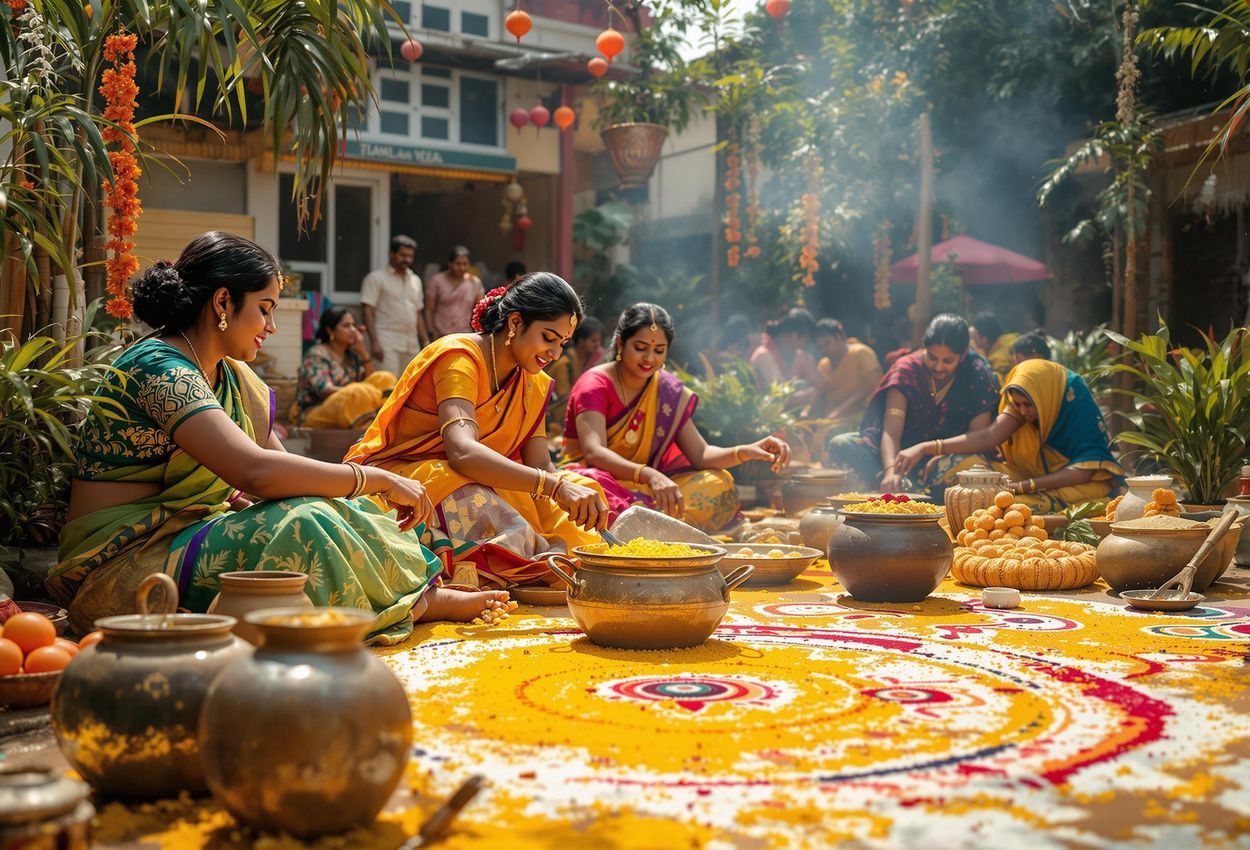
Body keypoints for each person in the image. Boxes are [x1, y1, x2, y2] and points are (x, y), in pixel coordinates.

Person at [47, 232, 508, 643]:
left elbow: (287, 474)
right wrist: (375, 477)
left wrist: (357, 492)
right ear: (223, 303)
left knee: (338, 506)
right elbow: (257, 472)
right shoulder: (162, 368)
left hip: (185, 535)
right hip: (123, 564)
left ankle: (416, 594)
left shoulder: (229, 375)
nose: (271, 327)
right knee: (304, 522)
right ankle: (414, 606)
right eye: (265, 309)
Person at [345, 274, 609, 591]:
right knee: (484, 504)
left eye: (562, 344)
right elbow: (463, 453)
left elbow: (541, 466)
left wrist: (568, 494)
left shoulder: (532, 381)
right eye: (548, 338)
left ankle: (565, 560)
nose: (554, 353)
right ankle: (525, 563)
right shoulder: (459, 358)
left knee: (584, 488)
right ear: (515, 322)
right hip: (412, 474)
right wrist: (552, 486)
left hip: (478, 475)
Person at [560, 303, 792, 530]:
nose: (649, 358)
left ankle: (648, 524)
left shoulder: (666, 389)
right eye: (640, 348)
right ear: (621, 342)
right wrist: (648, 474)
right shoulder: (594, 384)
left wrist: (746, 451)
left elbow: (700, 454)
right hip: (600, 482)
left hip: (649, 489)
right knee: (588, 486)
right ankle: (657, 524)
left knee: (719, 484)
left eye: (659, 350)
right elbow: (593, 452)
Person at [892, 358, 1123, 511]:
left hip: (1076, 483)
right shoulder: (1026, 396)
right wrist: (926, 447)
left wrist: (1021, 487)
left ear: (1042, 398)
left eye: (1028, 405)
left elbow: (1084, 472)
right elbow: (988, 437)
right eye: (1017, 404)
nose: (1022, 412)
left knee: (1009, 505)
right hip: (1024, 474)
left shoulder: (1074, 398)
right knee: (950, 465)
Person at [826, 314, 1000, 496]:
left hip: (946, 456)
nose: (939, 367)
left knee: (971, 468)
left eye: (948, 361)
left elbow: (978, 437)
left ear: (963, 354)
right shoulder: (906, 369)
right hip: (898, 455)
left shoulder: (977, 372)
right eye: (932, 357)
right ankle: (880, 492)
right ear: (924, 344)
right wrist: (890, 470)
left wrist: (939, 449)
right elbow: (891, 432)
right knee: (841, 444)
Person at [294, 307, 397, 429]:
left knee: (384, 377)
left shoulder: (352, 357)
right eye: (346, 326)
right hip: (314, 411)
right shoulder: (317, 354)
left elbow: (372, 380)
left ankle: (387, 422)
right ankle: (370, 429)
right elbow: (324, 390)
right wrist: (354, 392)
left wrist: (363, 352)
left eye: (353, 325)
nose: (353, 330)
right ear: (330, 331)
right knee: (357, 391)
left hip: (345, 404)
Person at [361, 235, 427, 374]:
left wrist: (425, 342)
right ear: (391, 253)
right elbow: (367, 311)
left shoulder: (415, 281)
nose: (407, 260)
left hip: (411, 344)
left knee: (410, 390)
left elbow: (418, 314)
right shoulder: (376, 278)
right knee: (388, 389)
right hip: (386, 343)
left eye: (410, 256)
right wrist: (374, 342)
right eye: (403, 255)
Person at [813, 318, 883, 423]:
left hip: (866, 415)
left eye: (827, 344)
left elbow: (870, 387)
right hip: (832, 418)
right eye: (820, 347)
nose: (824, 350)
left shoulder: (861, 352)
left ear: (839, 337)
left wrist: (838, 412)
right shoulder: (823, 365)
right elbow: (820, 394)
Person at [548, 316, 606, 432]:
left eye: (599, 341)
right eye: (593, 341)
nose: (597, 345)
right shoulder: (564, 365)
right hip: (553, 423)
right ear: (580, 341)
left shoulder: (588, 360)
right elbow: (563, 400)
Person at [750, 308, 819, 393]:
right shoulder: (764, 356)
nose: (808, 343)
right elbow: (781, 397)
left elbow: (813, 380)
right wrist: (817, 391)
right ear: (794, 335)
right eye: (807, 339)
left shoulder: (798, 354)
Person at [425, 245, 486, 339]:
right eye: (458, 264)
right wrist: (430, 332)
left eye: (465, 264)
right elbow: (429, 310)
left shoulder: (474, 282)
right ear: (449, 263)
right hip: (440, 337)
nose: (461, 268)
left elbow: (481, 310)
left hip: (465, 336)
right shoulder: (437, 281)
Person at [969, 311, 1019, 384]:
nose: (972, 342)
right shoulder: (1011, 338)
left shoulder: (997, 360)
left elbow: (997, 385)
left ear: (984, 339)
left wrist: (981, 358)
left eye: (973, 338)